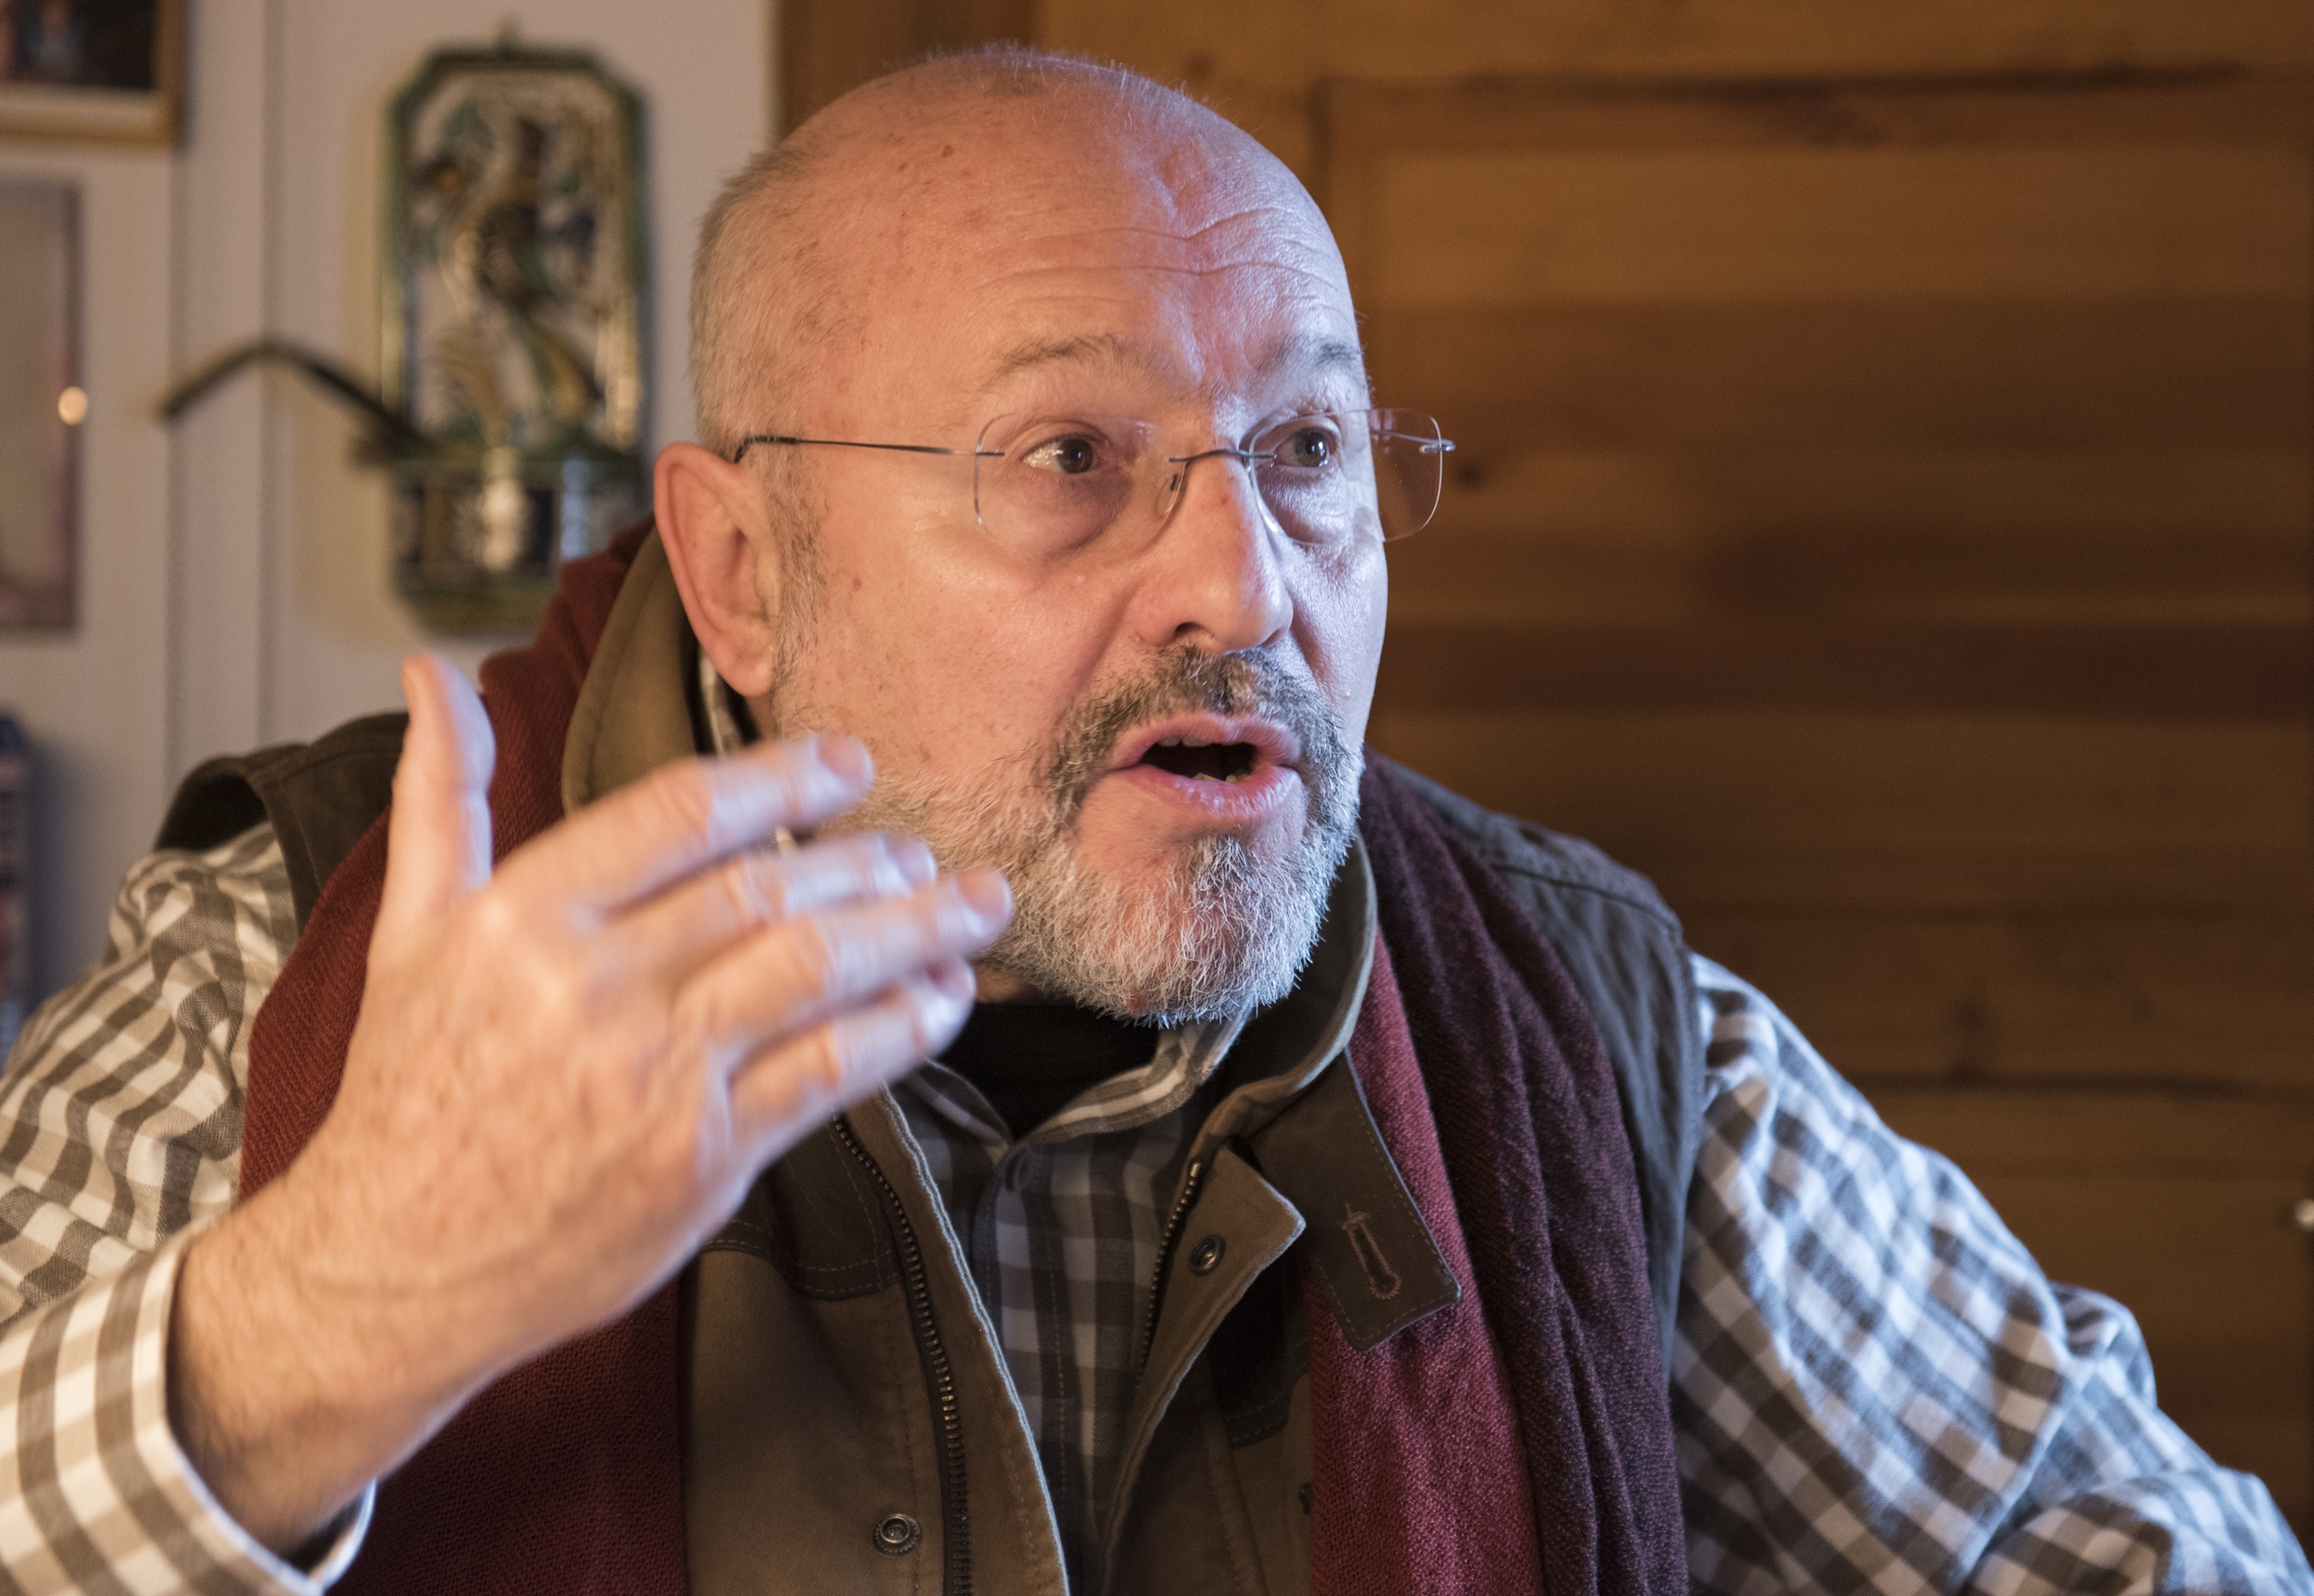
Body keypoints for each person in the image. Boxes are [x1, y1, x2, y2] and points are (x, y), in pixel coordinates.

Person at [0, 46, 2305, 1596]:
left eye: (1306, 456)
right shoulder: (300, 953)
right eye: (1069, 460)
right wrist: (331, 1308)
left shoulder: (1600, 1044)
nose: (1244, 587)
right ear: (741, 572)